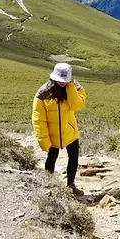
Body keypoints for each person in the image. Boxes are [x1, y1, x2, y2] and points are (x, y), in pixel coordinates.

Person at [32, 62, 88, 195]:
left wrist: (71, 88)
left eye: (65, 80)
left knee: (74, 157)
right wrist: (44, 140)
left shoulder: (74, 87)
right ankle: (48, 185)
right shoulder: (43, 93)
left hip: (70, 132)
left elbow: (77, 105)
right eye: (60, 80)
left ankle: (71, 185)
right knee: (51, 158)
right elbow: (38, 119)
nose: (63, 82)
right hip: (52, 134)